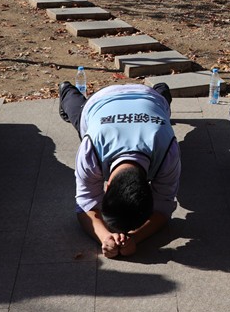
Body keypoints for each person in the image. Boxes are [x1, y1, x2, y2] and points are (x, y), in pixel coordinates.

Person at [57, 81, 180, 258]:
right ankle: (66, 89)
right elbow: (84, 204)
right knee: (78, 114)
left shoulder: (168, 151)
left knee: (160, 101)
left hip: (139, 99)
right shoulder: (91, 150)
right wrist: (105, 237)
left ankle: (161, 89)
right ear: (106, 187)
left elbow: (164, 206)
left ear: (106, 187)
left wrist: (133, 238)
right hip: (121, 100)